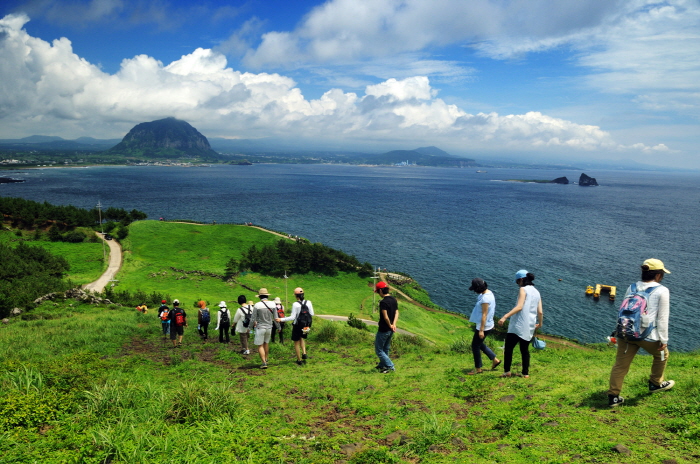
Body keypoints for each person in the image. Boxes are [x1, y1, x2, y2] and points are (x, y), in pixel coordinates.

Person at [607, 259, 675, 407]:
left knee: (620, 365)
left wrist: (620, 331)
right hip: (647, 336)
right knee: (662, 355)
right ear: (658, 275)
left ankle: (613, 396)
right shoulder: (662, 290)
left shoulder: (632, 287)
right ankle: (655, 384)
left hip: (626, 333)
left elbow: (623, 310)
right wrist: (664, 339)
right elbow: (663, 318)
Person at [497, 270, 543, 378]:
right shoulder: (537, 292)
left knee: (509, 349)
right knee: (524, 350)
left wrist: (505, 316)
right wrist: (540, 324)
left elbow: (519, 306)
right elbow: (540, 311)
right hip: (529, 326)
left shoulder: (523, 289)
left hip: (517, 325)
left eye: (518, 282)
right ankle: (525, 373)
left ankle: (507, 372)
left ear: (521, 280)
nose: (518, 284)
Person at [467, 278, 501, 375]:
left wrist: (481, 330)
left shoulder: (485, 299)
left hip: (484, 326)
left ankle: (478, 369)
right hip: (487, 324)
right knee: (479, 344)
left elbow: (484, 315)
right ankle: (495, 360)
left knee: (475, 346)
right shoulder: (488, 293)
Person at [276, 287, 315, 366]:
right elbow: (312, 314)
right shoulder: (309, 302)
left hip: (297, 325)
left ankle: (299, 359)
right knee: (302, 338)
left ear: (296, 296)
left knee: (296, 342)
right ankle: (304, 353)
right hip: (307, 325)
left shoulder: (295, 304)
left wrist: (281, 319)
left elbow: (293, 317)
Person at [374, 281, 398, 373]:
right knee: (385, 348)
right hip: (391, 329)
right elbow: (396, 312)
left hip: (384, 329)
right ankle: (382, 365)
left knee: (379, 350)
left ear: (380, 291)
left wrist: (389, 325)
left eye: (378, 291)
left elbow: (385, 316)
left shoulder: (383, 302)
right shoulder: (393, 299)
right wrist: (394, 324)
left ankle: (390, 366)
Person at [252, 288, 276, 369]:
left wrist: (249, 327)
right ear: (267, 296)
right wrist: (279, 327)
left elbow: (253, 318)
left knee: (260, 345)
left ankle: (263, 362)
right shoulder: (273, 304)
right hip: (269, 327)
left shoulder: (257, 305)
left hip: (260, 327)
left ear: (260, 296)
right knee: (266, 343)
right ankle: (266, 358)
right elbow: (275, 318)